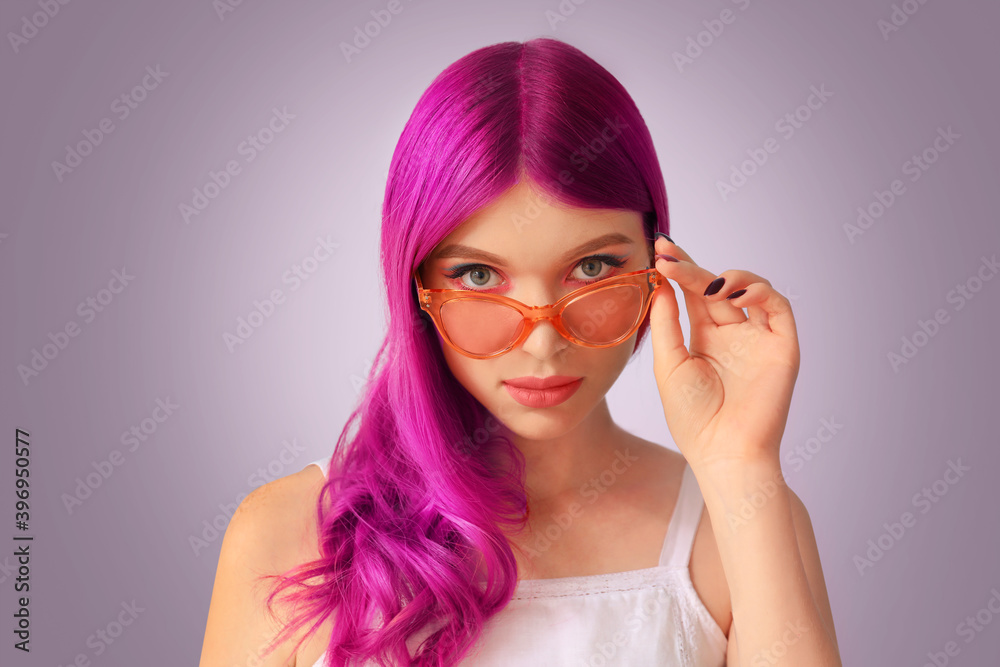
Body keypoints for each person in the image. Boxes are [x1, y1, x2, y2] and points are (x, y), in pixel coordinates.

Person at [200, 37, 842, 666]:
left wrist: (738, 463)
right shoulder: (288, 535)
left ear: (658, 263)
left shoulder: (743, 517)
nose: (543, 343)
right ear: (417, 285)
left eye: (591, 267)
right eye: (479, 276)